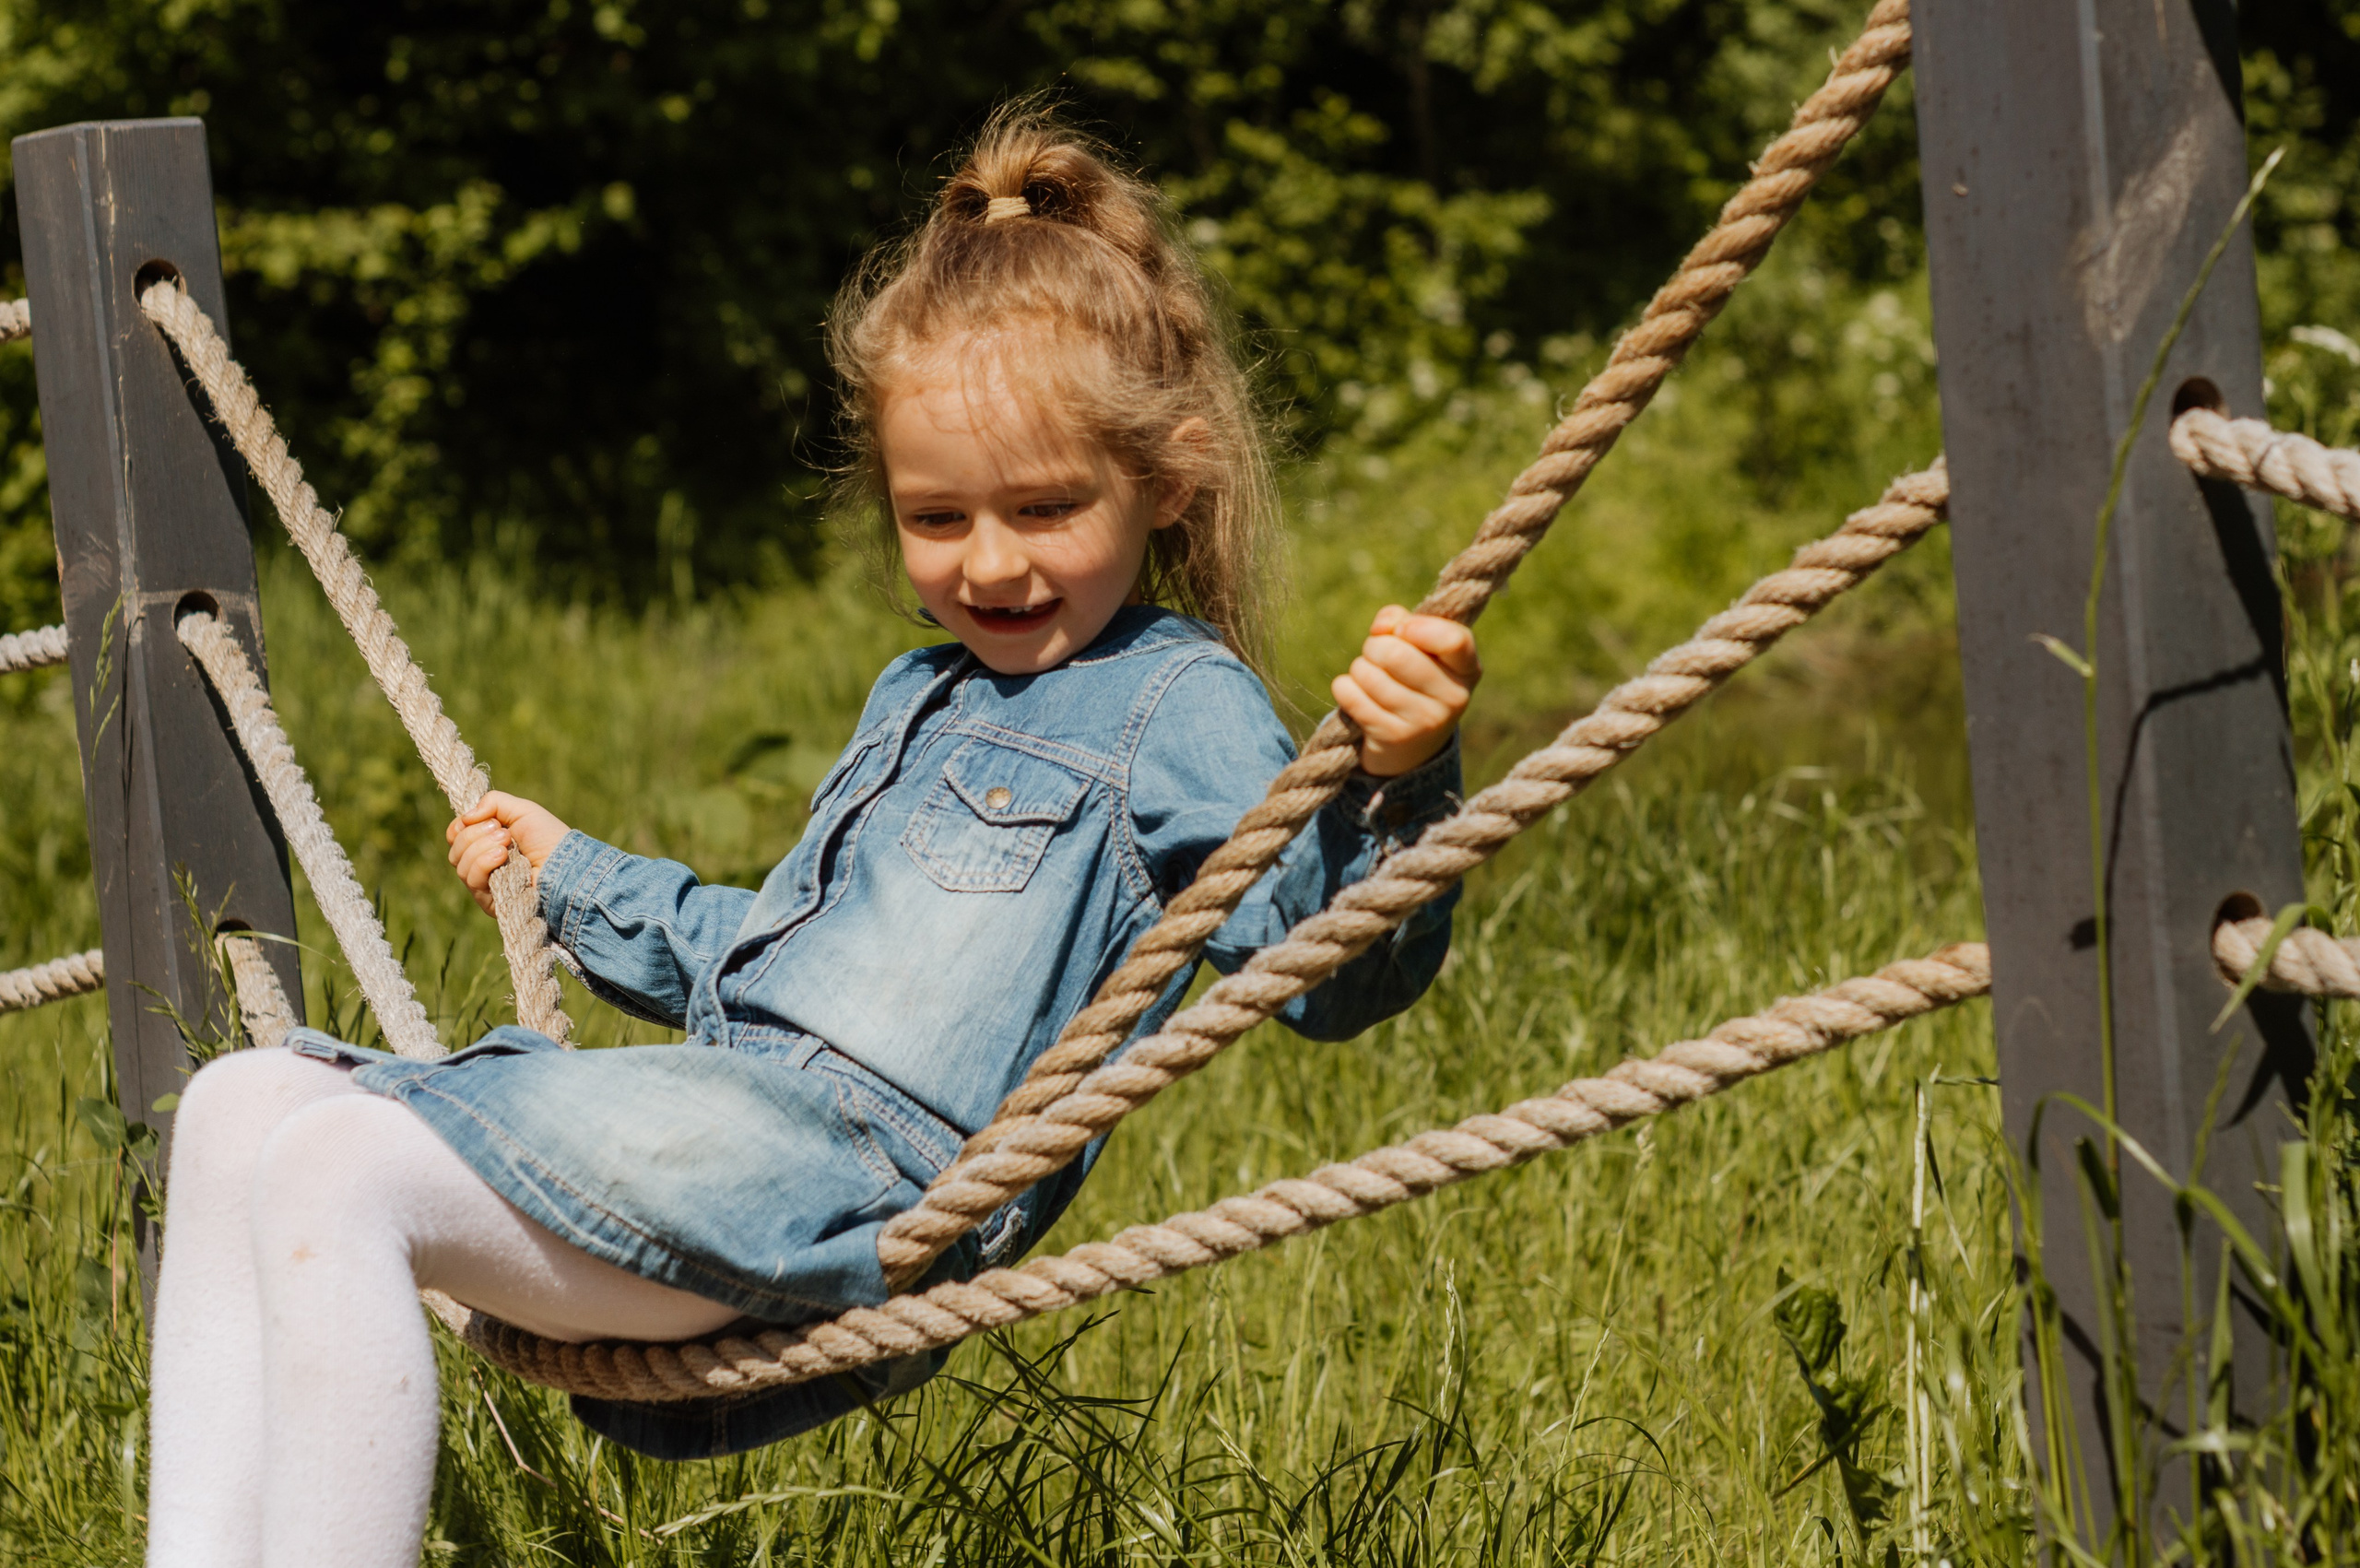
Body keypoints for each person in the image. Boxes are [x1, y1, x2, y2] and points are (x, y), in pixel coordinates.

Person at [143, 107, 1481, 1568]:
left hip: (851, 1186)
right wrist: (576, 874)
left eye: (1044, 507)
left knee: (339, 1170)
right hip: (730, 1109)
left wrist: (1403, 780)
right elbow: (788, 957)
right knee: (237, 1105)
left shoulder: (1178, 702)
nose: (987, 561)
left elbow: (1334, 971)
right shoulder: (919, 691)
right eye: (936, 515)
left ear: (1163, 479)